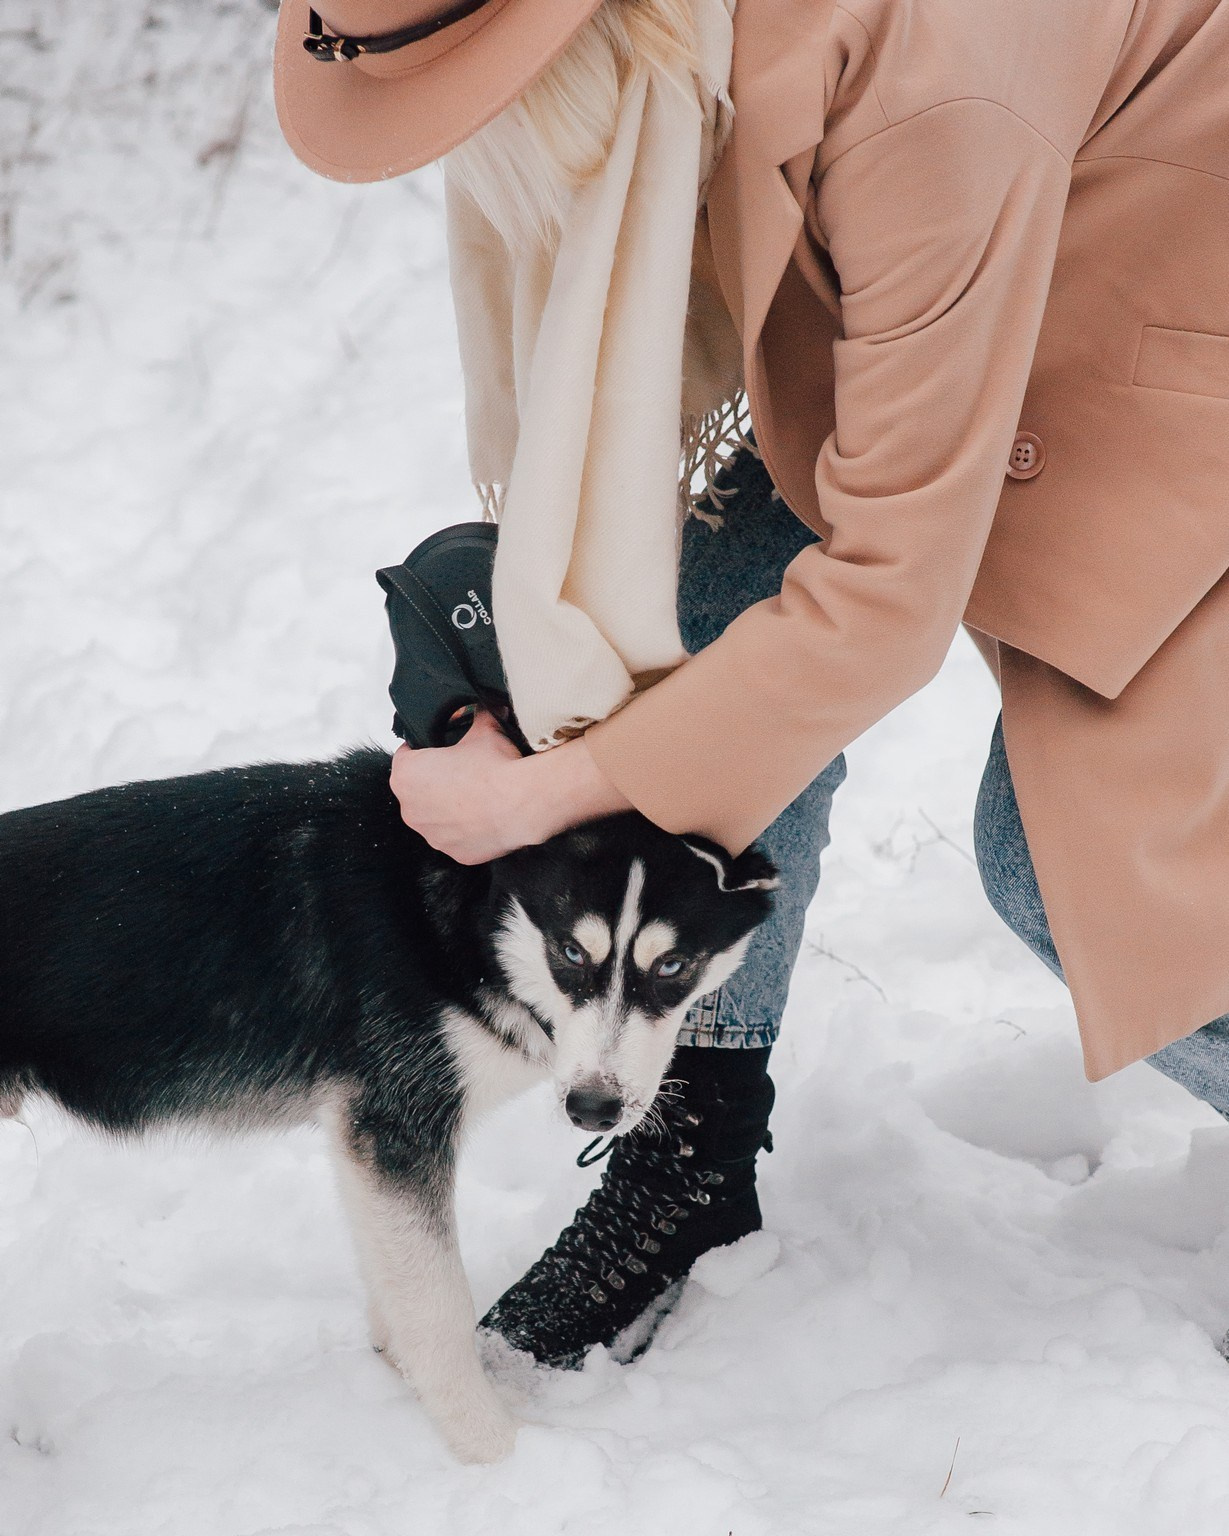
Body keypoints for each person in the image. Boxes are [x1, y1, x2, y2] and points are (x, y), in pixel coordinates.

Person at [274, 0, 1229, 1368]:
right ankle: (688, 1151)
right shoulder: (700, 51)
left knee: (1082, 872)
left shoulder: (930, 92)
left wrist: (548, 792)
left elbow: (880, 606)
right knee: (685, 615)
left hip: (1167, 316)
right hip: (955, 245)